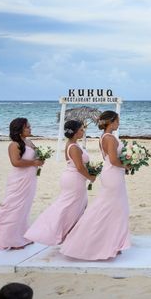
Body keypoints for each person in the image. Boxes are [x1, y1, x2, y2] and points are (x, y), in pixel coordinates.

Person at [61, 111, 131, 260]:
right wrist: (127, 166)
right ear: (111, 122)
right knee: (114, 209)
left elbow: (108, 159)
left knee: (111, 208)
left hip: (110, 173)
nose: (119, 123)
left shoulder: (103, 137)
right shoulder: (110, 138)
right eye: (117, 121)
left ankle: (112, 242)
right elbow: (113, 160)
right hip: (113, 174)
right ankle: (104, 243)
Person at [25, 120, 94, 245]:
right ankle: (58, 233)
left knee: (75, 206)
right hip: (75, 179)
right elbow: (79, 167)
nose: (83, 132)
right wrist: (91, 177)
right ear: (75, 132)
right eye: (81, 130)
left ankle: (70, 234)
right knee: (70, 207)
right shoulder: (73, 147)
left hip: (73, 178)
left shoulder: (72, 144)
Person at [0, 118, 43, 250]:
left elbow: (35, 156)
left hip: (30, 178)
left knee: (24, 207)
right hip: (19, 178)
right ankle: (7, 238)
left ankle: (19, 235)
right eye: (27, 127)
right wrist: (34, 163)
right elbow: (15, 162)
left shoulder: (29, 142)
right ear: (19, 129)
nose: (30, 128)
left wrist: (40, 159)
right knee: (13, 206)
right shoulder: (14, 144)